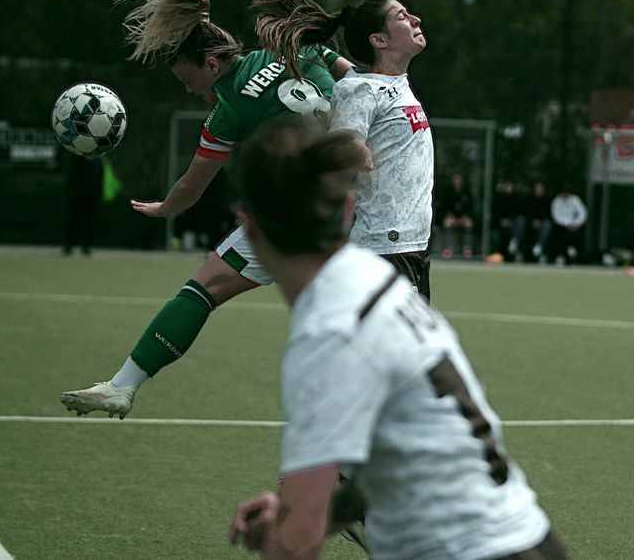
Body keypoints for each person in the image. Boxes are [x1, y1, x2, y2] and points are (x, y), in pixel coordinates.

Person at [226, 117, 567, 560]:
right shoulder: (377, 282)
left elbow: (296, 543)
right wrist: (310, 513)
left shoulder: (329, 330)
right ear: (349, 209)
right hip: (529, 539)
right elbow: (407, 459)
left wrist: (294, 524)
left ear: (247, 226)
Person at [59, 0, 351, 419]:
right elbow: (356, 82)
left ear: (211, 63)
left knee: (204, 287)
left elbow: (191, 189)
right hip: (360, 195)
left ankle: (122, 385)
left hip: (300, 212)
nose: (189, 88)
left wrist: (162, 209)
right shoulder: (294, 44)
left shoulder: (227, 110)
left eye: (185, 78)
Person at [248, 0, 435, 299]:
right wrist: (353, 151)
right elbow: (344, 151)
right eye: (401, 16)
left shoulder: (390, 83)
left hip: (410, 243)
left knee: (395, 347)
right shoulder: (360, 89)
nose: (416, 19)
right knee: (389, 347)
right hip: (382, 246)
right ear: (379, 40)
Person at [62, 155, 103, 256]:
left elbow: (100, 178)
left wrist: (97, 193)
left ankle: (86, 246)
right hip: (76, 195)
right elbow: (71, 177)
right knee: (73, 220)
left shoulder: (98, 159)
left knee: (90, 221)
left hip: (92, 196)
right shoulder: (76, 158)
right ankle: (68, 246)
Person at [438, 172, 475, 259]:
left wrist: (463, 216)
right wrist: (450, 216)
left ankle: (467, 249)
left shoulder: (466, 192)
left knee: (469, 223)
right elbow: (444, 207)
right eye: (455, 180)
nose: (457, 182)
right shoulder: (448, 193)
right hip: (452, 217)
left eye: (458, 180)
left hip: (463, 217)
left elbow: (469, 208)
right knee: (447, 223)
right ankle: (447, 249)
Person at [549, 185, 588, 266]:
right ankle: (562, 255)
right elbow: (556, 216)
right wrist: (567, 224)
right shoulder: (556, 201)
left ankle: (575, 256)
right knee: (562, 235)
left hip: (575, 226)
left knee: (576, 235)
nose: (565, 196)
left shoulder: (575, 200)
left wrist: (576, 223)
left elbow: (583, 213)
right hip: (561, 226)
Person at [527, 181, 553, 263]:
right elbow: (527, 212)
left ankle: (539, 246)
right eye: (537, 188)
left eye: (540, 188)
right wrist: (533, 221)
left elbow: (548, 213)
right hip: (530, 222)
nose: (538, 190)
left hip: (543, 222)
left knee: (547, 225)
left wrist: (540, 221)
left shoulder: (547, 200)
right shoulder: (529, 200)